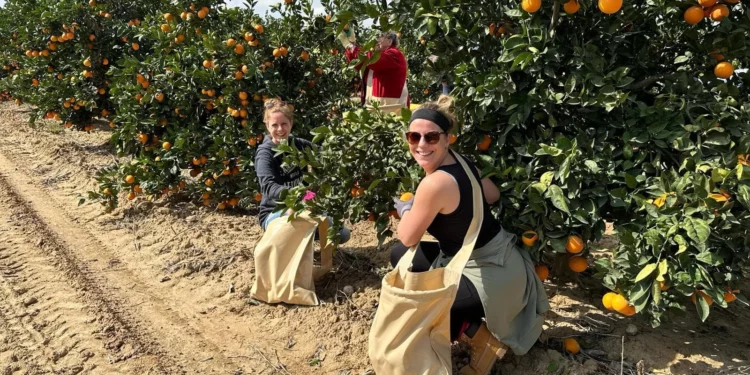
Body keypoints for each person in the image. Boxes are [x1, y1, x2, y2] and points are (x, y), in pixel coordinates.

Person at [390, 95, 549, 375]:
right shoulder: (462, 162)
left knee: (425, 308)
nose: (422, 145)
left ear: (447, 138)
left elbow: (408, 236)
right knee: (400, 258)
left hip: (489, 275)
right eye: (414, 137)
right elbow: (493, 194)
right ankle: (467, 323)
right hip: (505, 261)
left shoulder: (434, 183)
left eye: (431, 137)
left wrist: (407, 208)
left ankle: (483, 339)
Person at [254, 98, 351, 243]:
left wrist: (345, 150)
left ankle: (306, 242)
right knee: (298, 224)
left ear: (291, 124)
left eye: (284, 124)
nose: (280, 129)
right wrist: (300, 194)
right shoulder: (265, 154)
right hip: (275, 212)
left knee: (341, 234)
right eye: (275, 125)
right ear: (267, 126)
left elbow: (323, 153)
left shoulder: (297, 144)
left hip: (303, 205)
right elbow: (269, 187)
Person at [340, 29, 409, 112]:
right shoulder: (376, 55)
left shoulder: (394, 54)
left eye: (381, 36)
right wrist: (351, 44)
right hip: (376, 109)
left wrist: (351, 46)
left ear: (390, 41)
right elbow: (358, 62)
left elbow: (373, 60)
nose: (377, 39)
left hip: (392, 109)